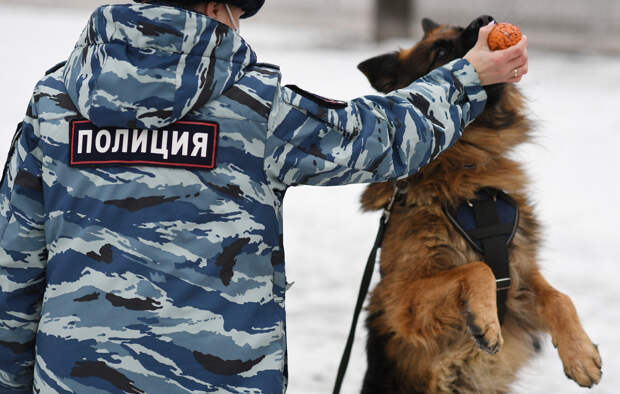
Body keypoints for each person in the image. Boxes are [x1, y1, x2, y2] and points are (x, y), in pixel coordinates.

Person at [0, 0, 528, 392]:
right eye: (237, 11)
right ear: (214, 8)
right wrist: (468, 77)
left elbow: (13, 268)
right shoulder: (255, 106)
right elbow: (380, 138)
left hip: (74, 378)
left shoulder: (55, 101)